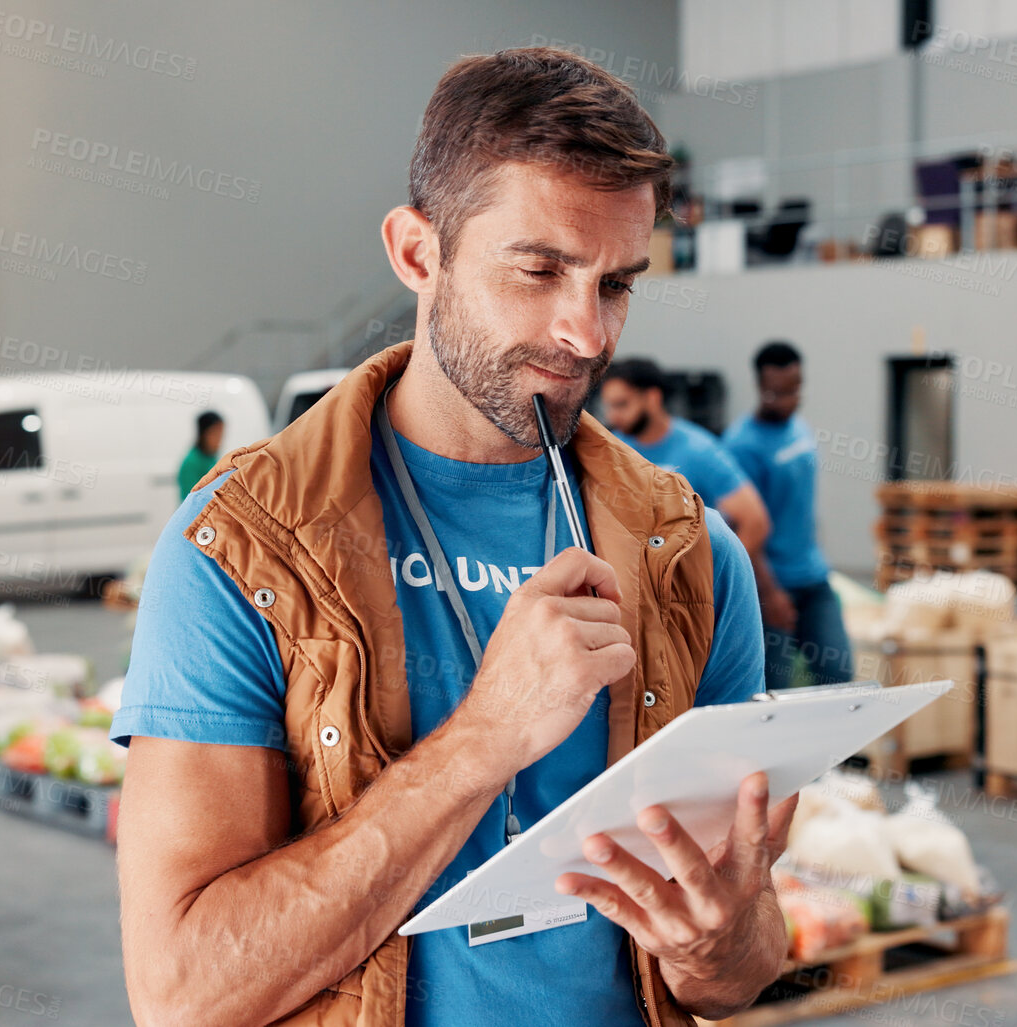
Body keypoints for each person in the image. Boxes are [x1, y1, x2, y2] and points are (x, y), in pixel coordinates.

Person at [113, 48, 794, 1027]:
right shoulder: (242, 548)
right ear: (417, 253)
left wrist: (717, 942)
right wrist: (486, 734)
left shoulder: (687, 552)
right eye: (541, 269)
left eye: (616, 283)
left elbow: (741, 967)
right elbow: (184, 993)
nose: (588, 332)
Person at [723, 341, 855, 691]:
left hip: (813, 578)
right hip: (772, 584)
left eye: (793, 392)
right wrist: (771, 594)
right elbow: (741, 531)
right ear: (759, 388)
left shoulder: (801, 429)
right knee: (772, 691)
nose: (785, 401)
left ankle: (834, 748)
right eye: (775, 393)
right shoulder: (741, 446)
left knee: (839, 674)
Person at [602, 356, 779, 586]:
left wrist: (714, 583)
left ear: (653, 398)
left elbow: (755, 521)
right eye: (610, 406)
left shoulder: (699, 450)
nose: (612, 416)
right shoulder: (613, 449)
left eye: (622, 404)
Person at [175, 411, 225, 500]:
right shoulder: (192, 462)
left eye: (221, 434)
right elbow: (191, 498)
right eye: (215, 434)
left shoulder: (212, 458)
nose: (219, 439)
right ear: (203, 434)